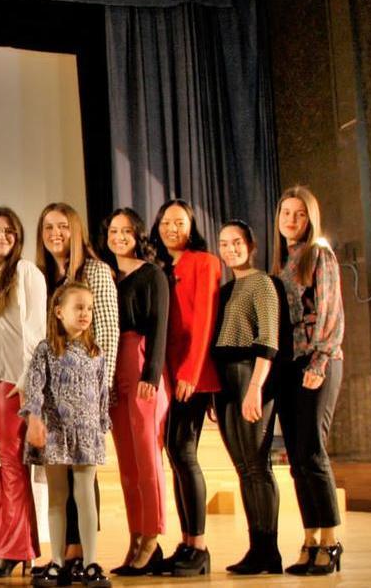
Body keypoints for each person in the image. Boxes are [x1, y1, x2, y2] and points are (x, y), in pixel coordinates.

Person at [34, 203, 118, 575]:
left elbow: (109, 332)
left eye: (64, 226)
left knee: (84, 487)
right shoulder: (43, 276)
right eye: (49, 226)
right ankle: (60, 556)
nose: (56, 233)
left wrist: (103, 397)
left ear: (77, 230)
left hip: (86, 401)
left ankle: (84, 554)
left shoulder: (95, 271)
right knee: (58, 491)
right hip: (54, 409)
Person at [272, 186, 345, 576]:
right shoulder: (283, 263)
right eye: (286, 213)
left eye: (299, 214)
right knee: (297, 459)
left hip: (319, 360)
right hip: (289, 366)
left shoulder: (321, 255)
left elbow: (331, 314)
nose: (292, 220)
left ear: (310, 218)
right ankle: (310, 537)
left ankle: (331, 541)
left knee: (314, 452)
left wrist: (318, 362)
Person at [23, 282, 112, 588]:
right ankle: (57, 561)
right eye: (78, 307)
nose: (85, 313)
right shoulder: (46, 350)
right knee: (57, 496)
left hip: (86, 433)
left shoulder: (96, 352)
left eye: (88, 308)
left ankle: (90, 561)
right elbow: (34, 388)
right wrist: (33, 420)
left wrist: (102, 425)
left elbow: (102, 393)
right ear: (59, 312)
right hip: (56, 431)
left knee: (85, 495)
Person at [150, 198, 221, 577]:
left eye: (178, 222)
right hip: (168, 374)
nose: (170, 228)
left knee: (185, 453)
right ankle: (187, 541)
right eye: (165, 222)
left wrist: (190, 373)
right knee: (177, 456)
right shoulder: (162, 268)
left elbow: (206, 320)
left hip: (192, 375)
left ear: (191, 227)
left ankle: (200, 546)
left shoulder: (204, 263)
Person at [0, 207, 43, 577]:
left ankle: (18, 547)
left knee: (12, 467)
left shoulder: (25, 271)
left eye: (8, 231)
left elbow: (36, 329)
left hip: (15, 382)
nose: (1, 237)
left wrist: (31, 384)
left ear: (18, 237)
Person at [100, 208, 170, 576]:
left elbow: (160, 325)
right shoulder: (109, 277)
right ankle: (135, 536)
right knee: (127, 465)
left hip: (143, 366)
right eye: (114, 231)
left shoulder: (151, 274)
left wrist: (153, 375)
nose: (119, 237)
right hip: (115, 370)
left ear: (138, 235)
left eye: (127, 231)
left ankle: (152, 536)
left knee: (147, 460)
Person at [212, 220, 283, 574]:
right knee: (243, 468)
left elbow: (268, 339)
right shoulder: (225, 289)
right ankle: (257, 548)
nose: (230, 249)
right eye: (224, 243)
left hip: (250, 375)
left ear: (251, 245)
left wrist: (254, 387)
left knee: (257, 465)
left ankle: (269, 549)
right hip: (225, 379)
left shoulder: (262, 284)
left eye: (236, 242)